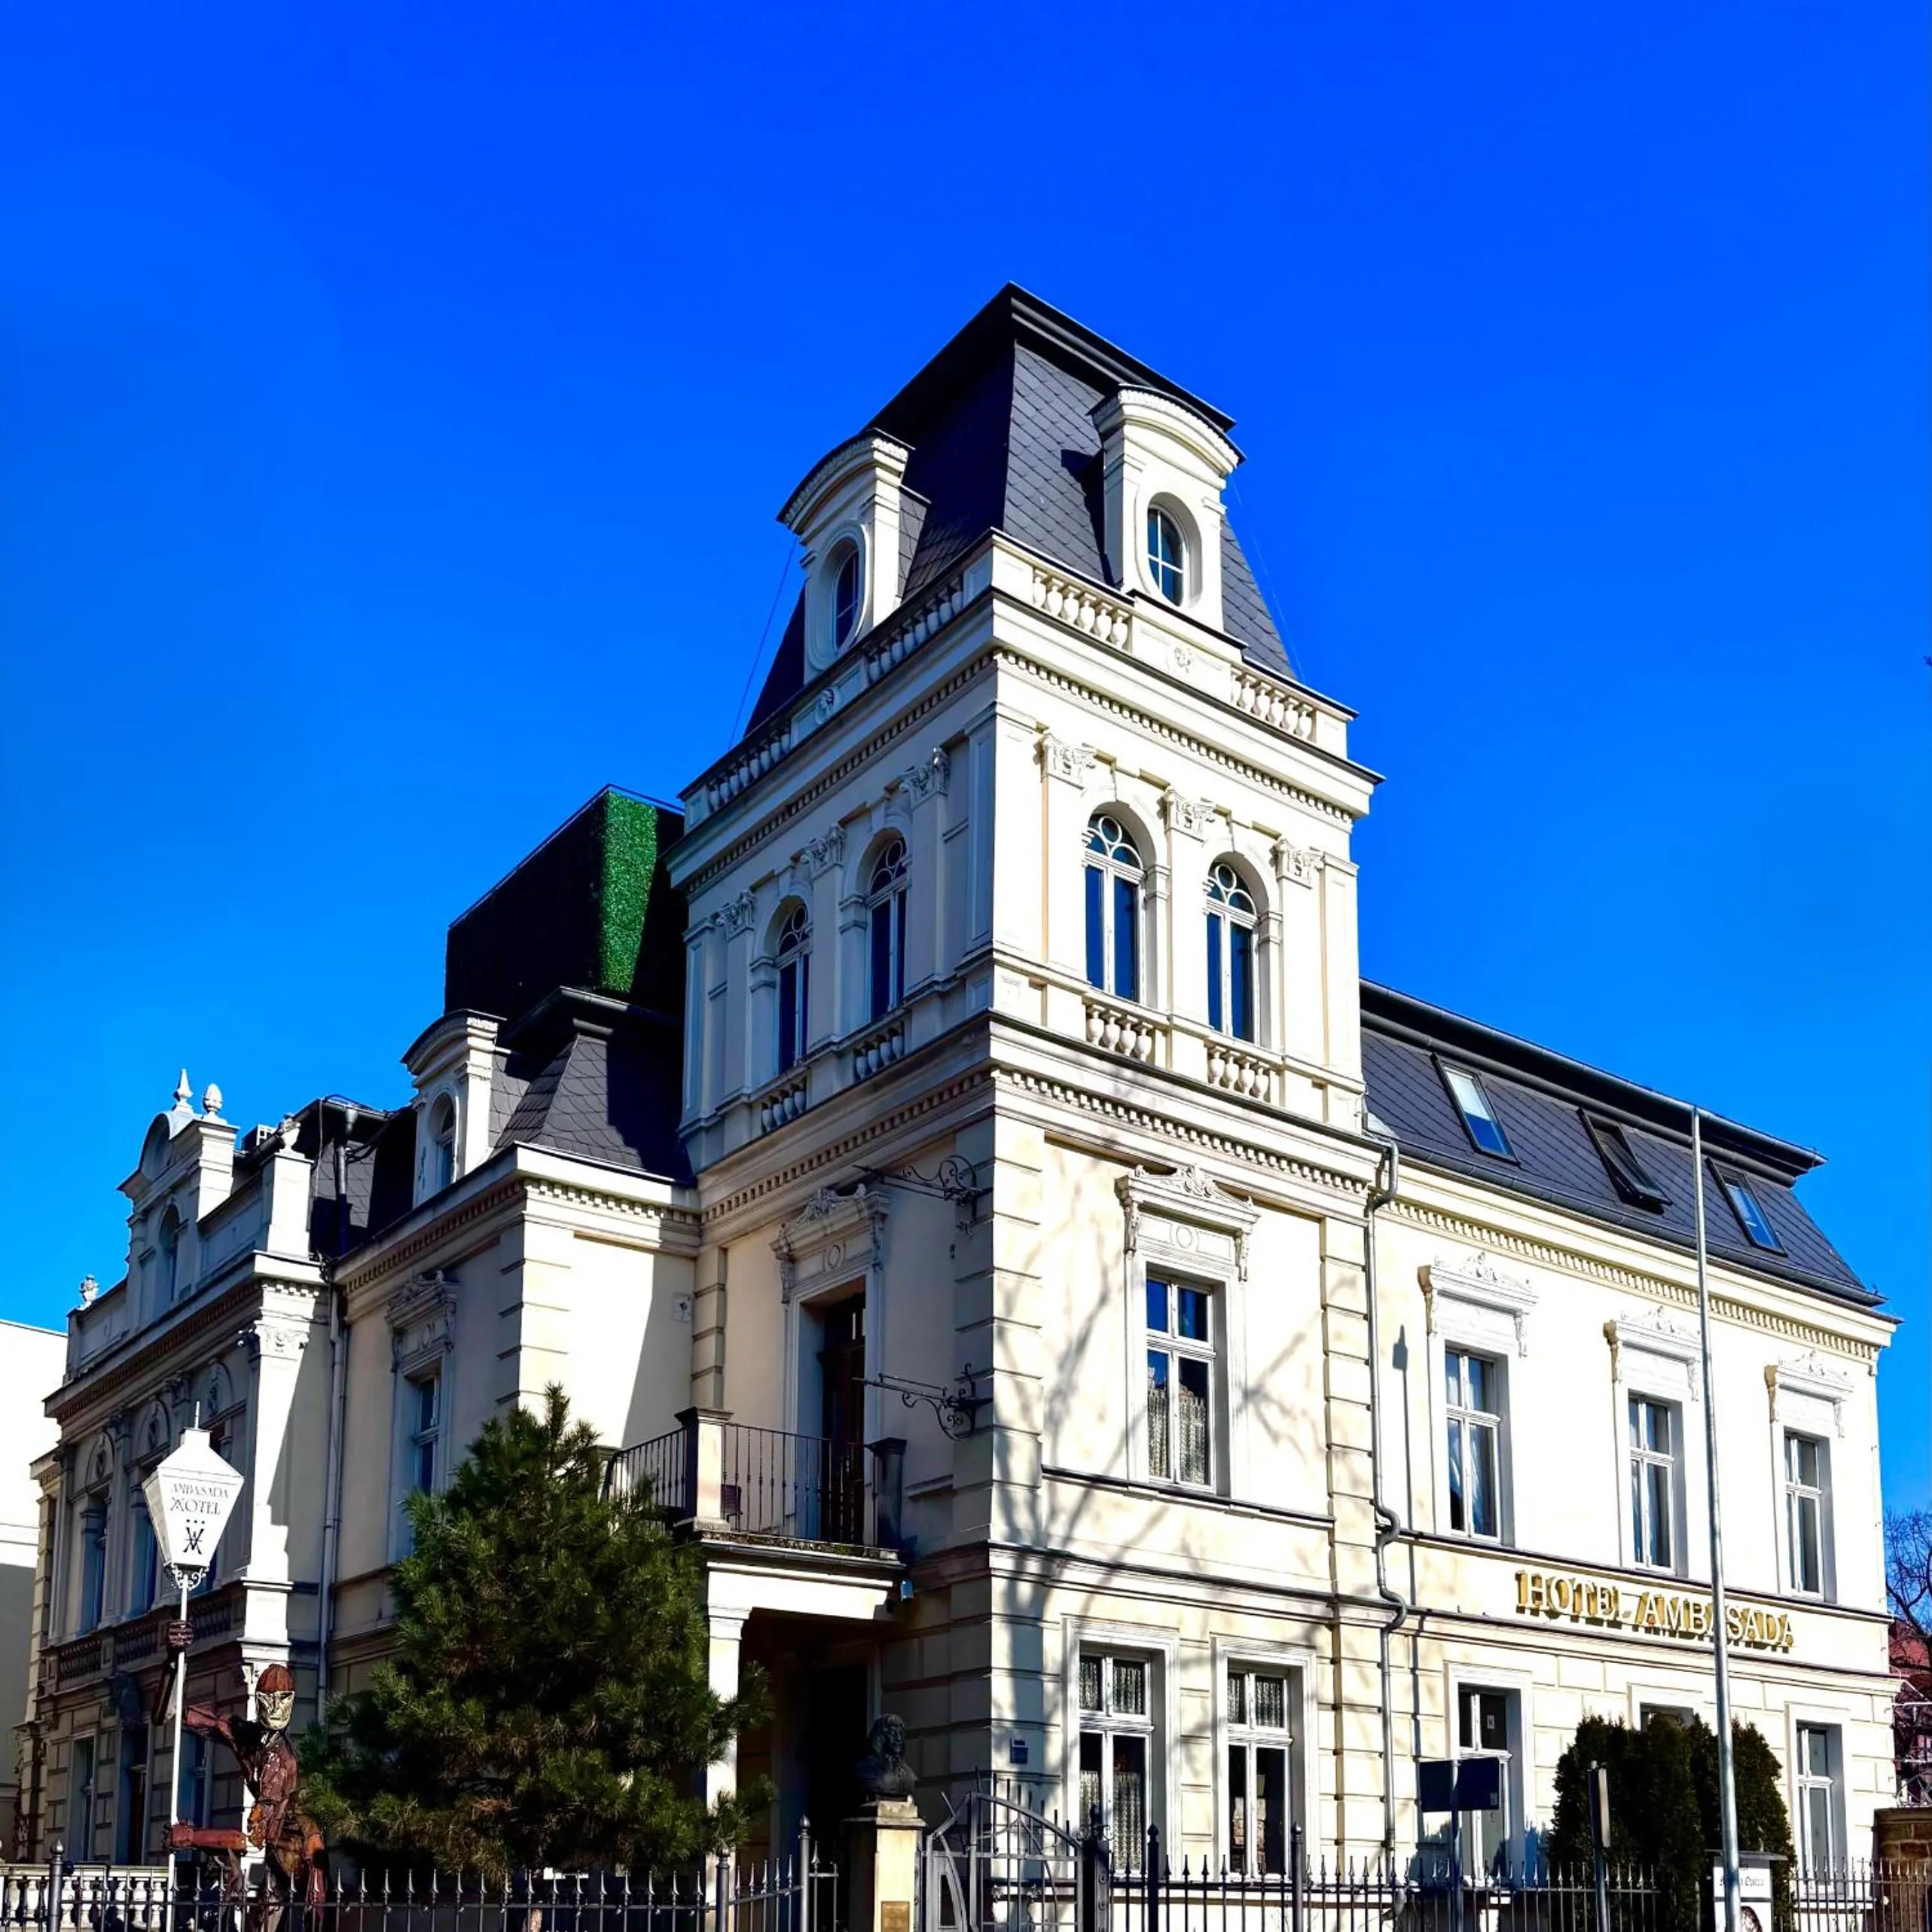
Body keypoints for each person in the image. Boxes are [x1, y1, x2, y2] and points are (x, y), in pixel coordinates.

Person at [167, 1662, 326, 1909]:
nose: (275, 1708)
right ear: (258, 1699)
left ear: (292, 1701)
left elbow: (251, 1841)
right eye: (268, 1699)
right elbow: (175, 1714)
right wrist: (173, 1665)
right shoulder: (246, 1734)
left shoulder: (281, 1762)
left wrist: (192, 1837)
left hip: (298, 1853)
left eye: (282, 1699)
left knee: (302, 1917)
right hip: (277, 1851)